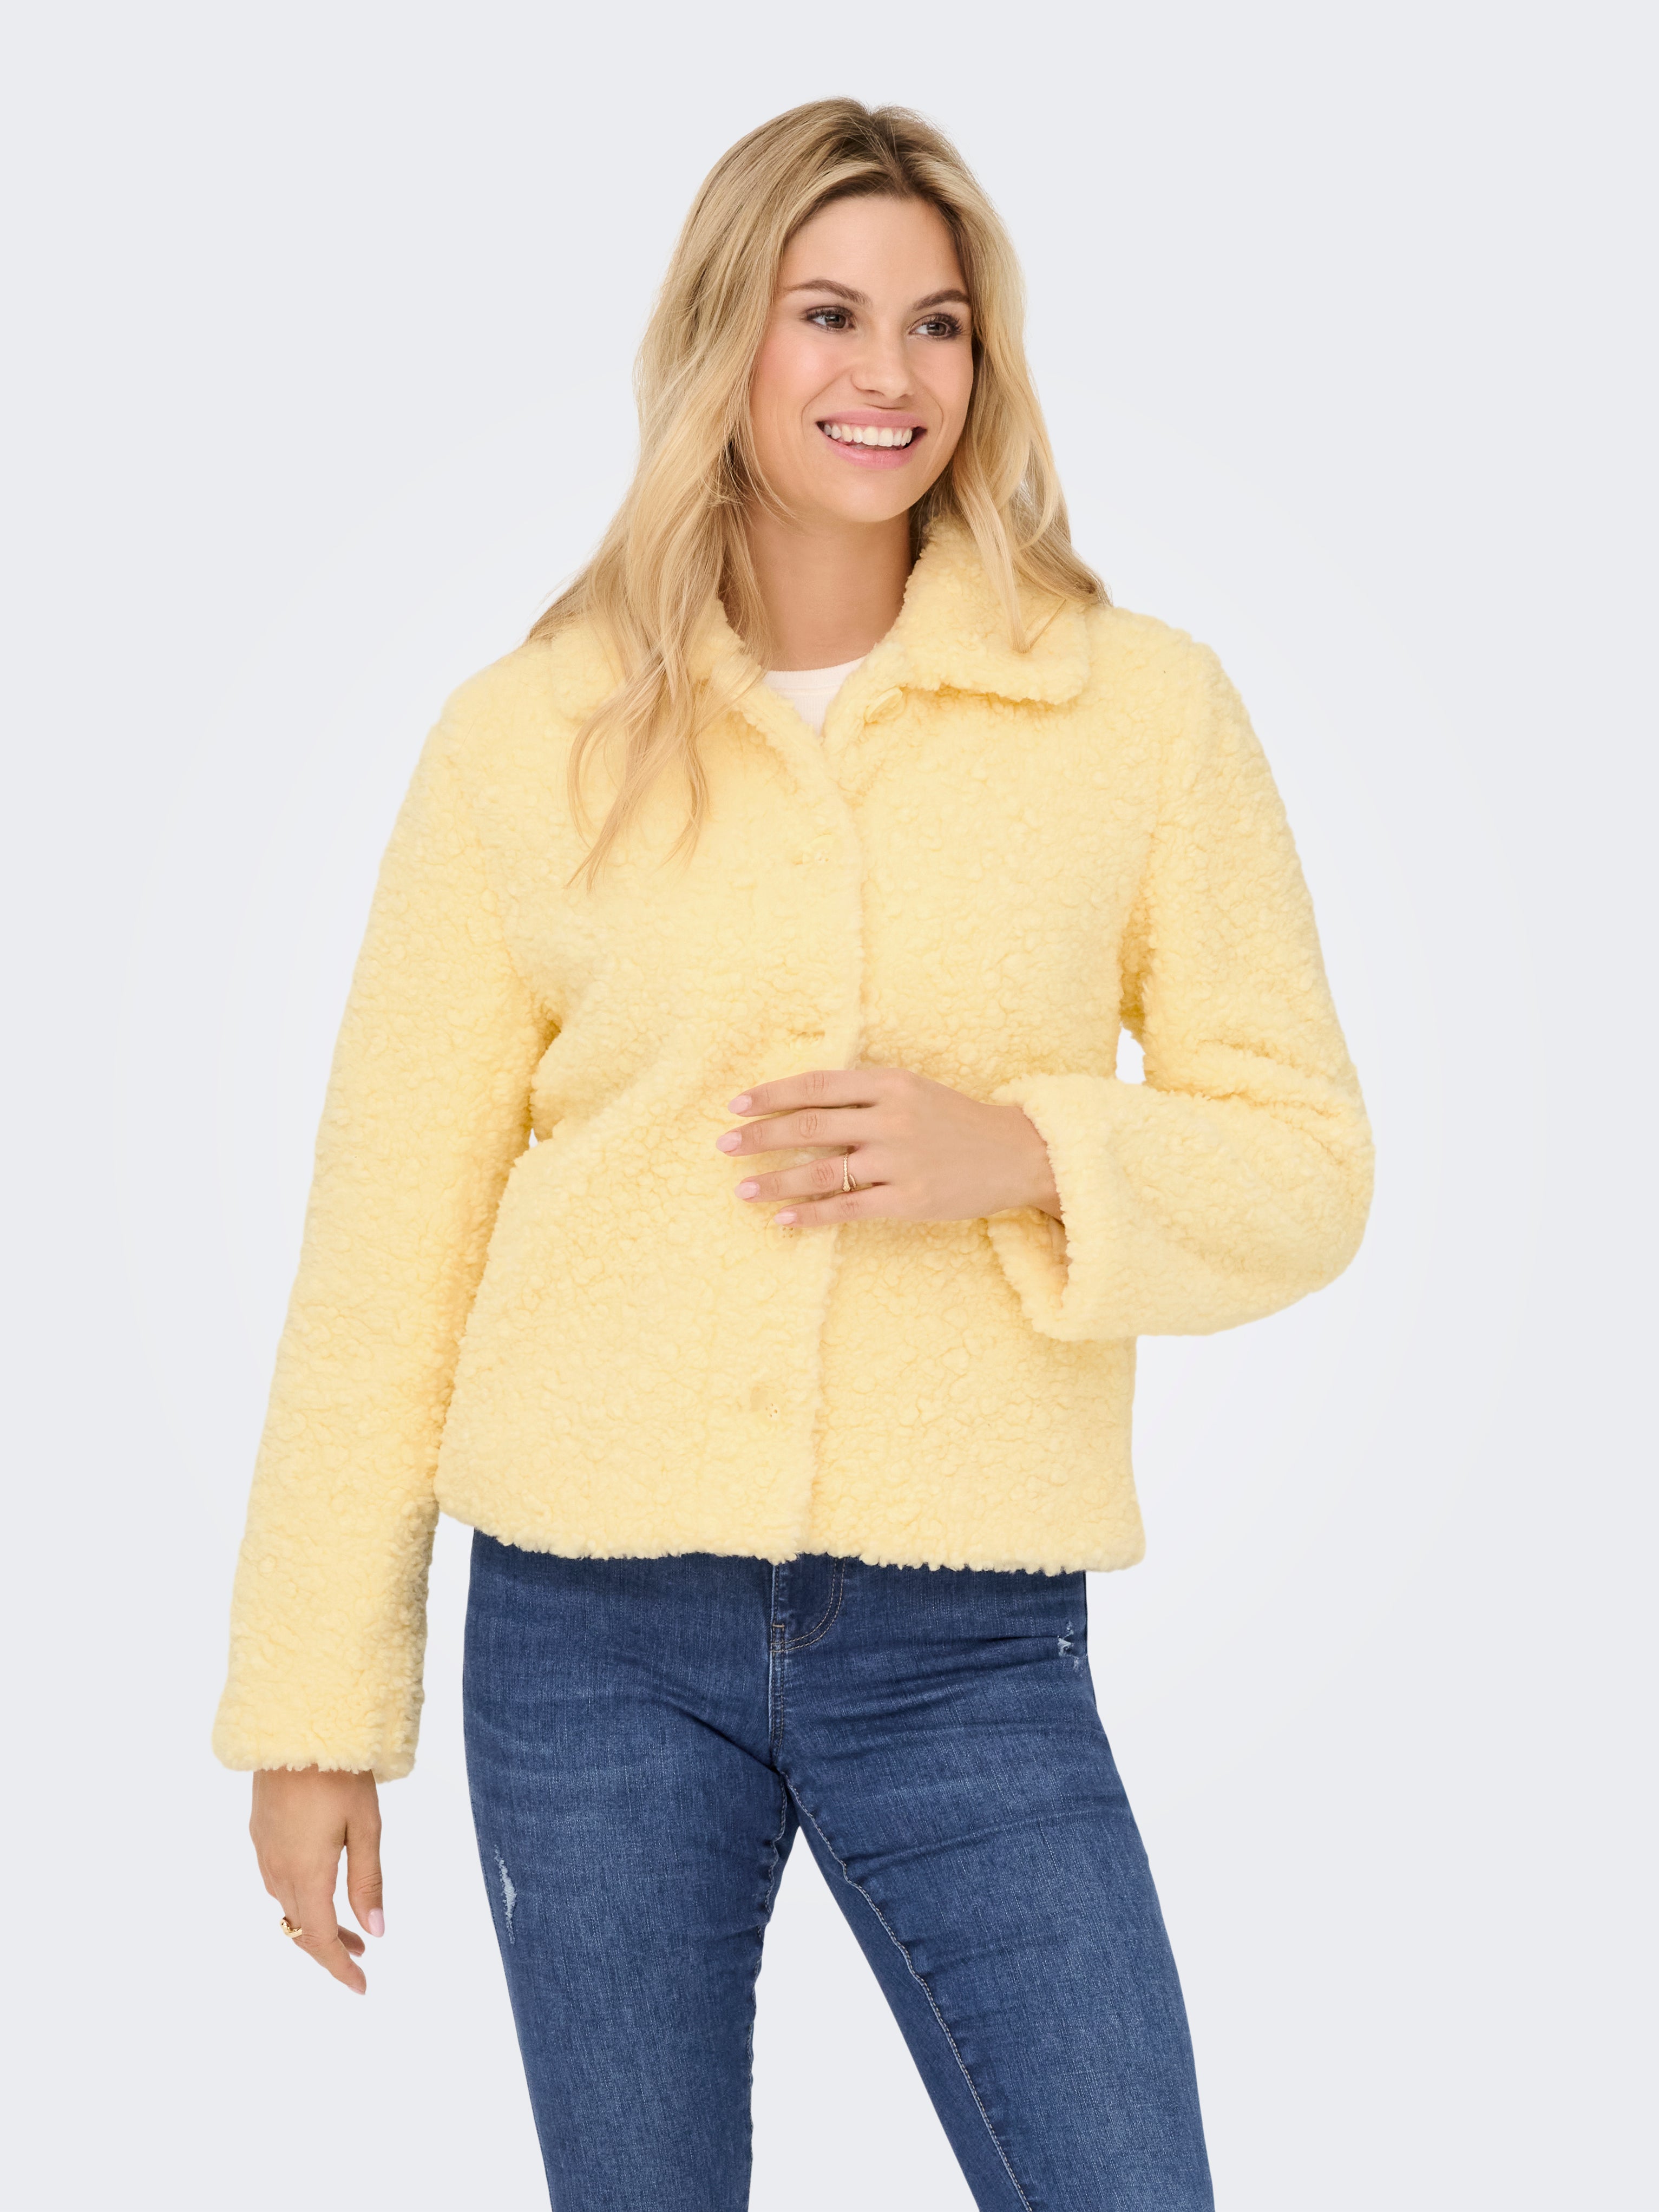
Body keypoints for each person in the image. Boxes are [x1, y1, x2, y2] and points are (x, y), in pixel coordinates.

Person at [216, 97, 1373, 2212]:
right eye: (826, 313)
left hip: (967, 1637)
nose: (887, 373)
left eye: (938, 324)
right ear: (721, 336)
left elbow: (1305, 1159)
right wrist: (313, 1711)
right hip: (585, 1637)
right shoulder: (528, 734)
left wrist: (1021, 1150)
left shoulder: (1134, 713)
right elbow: (386, 1253)